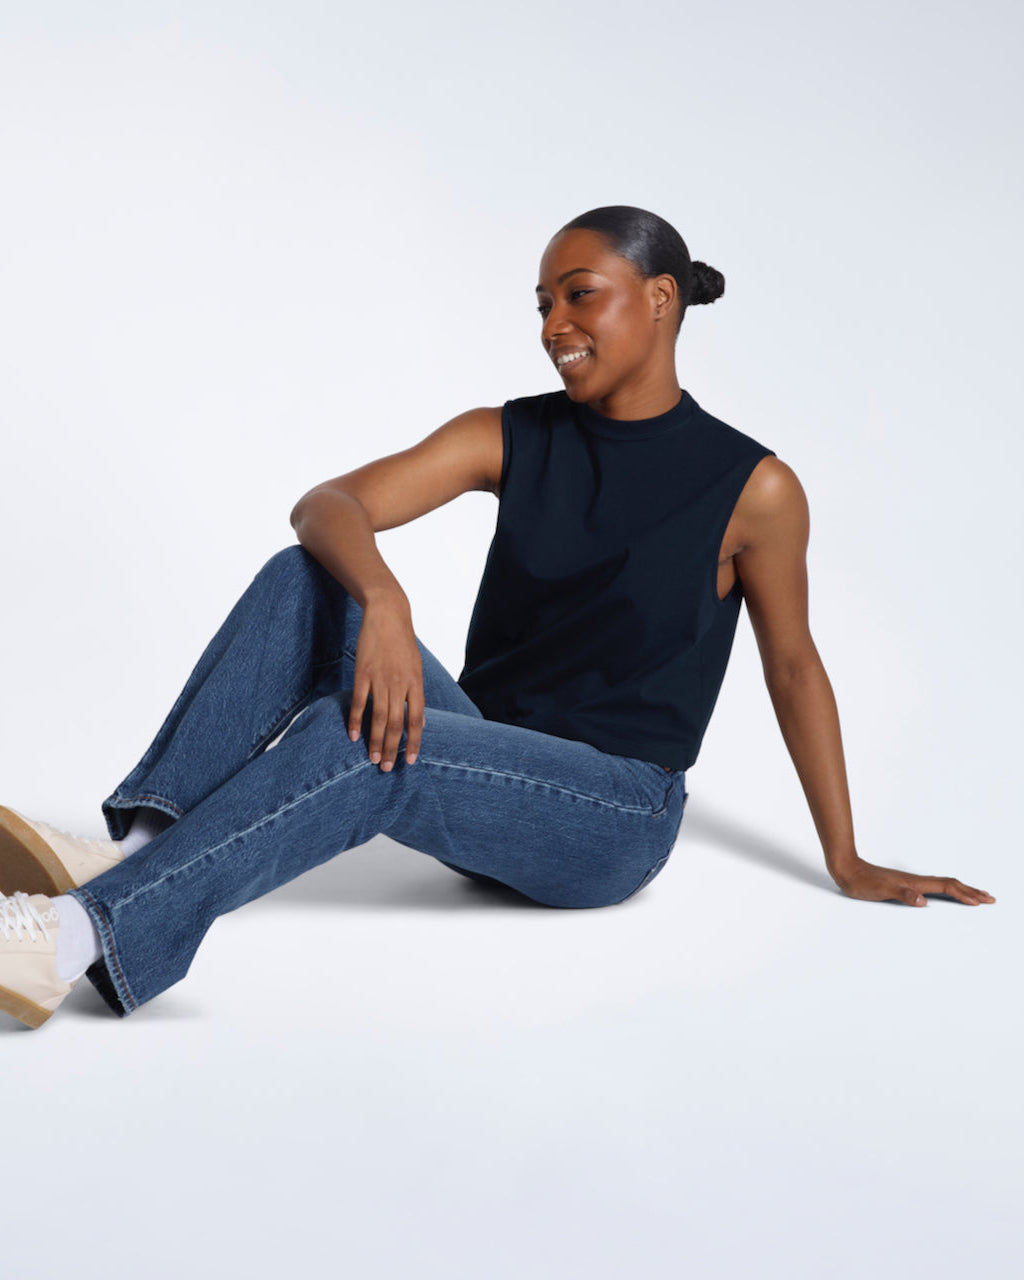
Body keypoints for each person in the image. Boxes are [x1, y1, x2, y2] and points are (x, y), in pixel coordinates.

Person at [0, 205, 995, 1030]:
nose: (554, 323)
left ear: (659, 300)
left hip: (610, 815)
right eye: (543, 303)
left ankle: (81, 937)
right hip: (477, 749)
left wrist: (847, 856)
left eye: (579, 295)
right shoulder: (510, 434)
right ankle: (139, 852)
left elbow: (791, 664)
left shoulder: (754, 487)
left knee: (366, 745)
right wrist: (383, 598)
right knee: (308, 577)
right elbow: (328, 505)